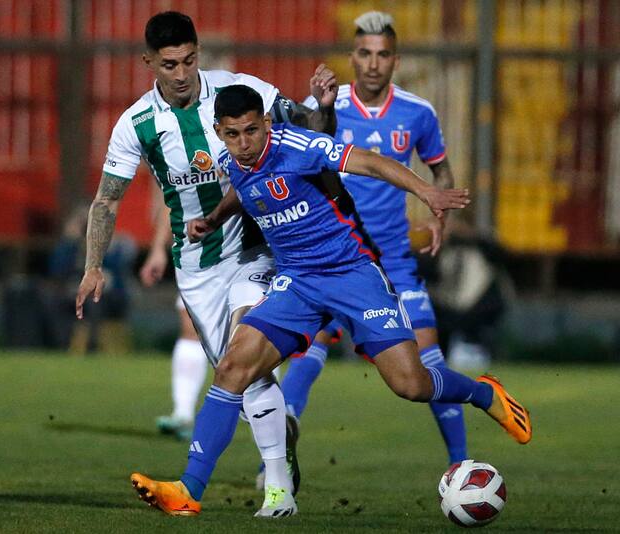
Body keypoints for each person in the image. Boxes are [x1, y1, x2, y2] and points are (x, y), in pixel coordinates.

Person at [128, 84, 531, 518]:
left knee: (411, 384)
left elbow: (371, 162)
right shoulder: (233, 160)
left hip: (352, 274)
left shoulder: (297, 146)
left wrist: (425, 192)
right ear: (219, 131)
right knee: (232, 366)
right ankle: (188, 490)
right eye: (232, 134)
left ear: (266, 123)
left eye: (251, 131)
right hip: (297, 281)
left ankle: (481, 392)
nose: (243, 144)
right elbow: (244, 190)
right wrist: (212, 220)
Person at [74, 11, 338, 517]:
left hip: (255, 249)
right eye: (169, 63)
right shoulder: (136, 124)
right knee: (243, 380)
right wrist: (93, 266)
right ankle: (282, 452)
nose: (181, 73)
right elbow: (107, 202)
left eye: (190, 60)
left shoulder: (238, 89)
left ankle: (277, 492)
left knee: (248, 355)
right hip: (196, 267)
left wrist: (323, 106)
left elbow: (308, 127)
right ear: (149, 61)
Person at [280, 11, 470, 466]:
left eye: (382, 55)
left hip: (393, 261)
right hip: (332, 254)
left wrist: (438, 209)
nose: (372, 64)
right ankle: (283, 432)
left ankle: (461, 465)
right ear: (352, 57)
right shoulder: (327, 105)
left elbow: (439, 168)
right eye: (364, 53)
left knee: (429, 360)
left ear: (395, 60)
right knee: (310, 343)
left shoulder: (417, 113)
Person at [138, 189, 207, 441]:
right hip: (199, 252)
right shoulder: (180, 155)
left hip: (244, 253)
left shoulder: (240, 151)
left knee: (250, 334)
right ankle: (183, 413)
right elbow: (174, 197)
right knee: (190, 328)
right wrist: (158, 248)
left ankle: (270, 417)